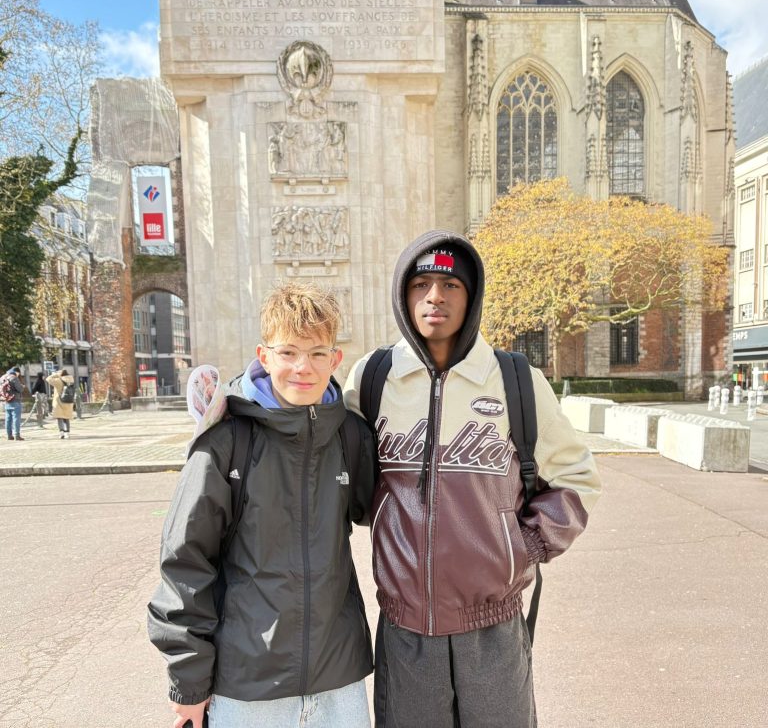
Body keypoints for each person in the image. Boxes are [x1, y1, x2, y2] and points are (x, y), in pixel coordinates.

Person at [344, 230, 602, 728]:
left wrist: (522, 544)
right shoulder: (373, 379)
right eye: (420, 284)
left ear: (471, 296)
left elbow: (578, 476)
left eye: (450, 285)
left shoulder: (515, 380)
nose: (434, 297)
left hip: (493, 626)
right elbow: (326, 450)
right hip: (404, 629)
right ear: (403, 295)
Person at [148, 283, 375, 728]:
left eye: (316, 353)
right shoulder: (226, 441)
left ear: (336, 359)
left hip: (339, 684)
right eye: (288, 352)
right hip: (248, 688)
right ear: (264, 355)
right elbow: (184, 565)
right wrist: (189, 685)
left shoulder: (351, 436)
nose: (302, 367)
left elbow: (388, 511)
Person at [47, 368, 75, 438]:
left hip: (59, 401)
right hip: (69, 401)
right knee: (66, 417)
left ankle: (61, 432)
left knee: (60, 417)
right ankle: (67, 433)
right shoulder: (71, 380)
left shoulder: (59, 381)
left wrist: (56, 375)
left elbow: (48, 379)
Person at [3, 366, 25, 440]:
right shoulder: (14, 377)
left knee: (8, 418)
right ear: (17, 372)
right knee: (16, 418)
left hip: (7, 400)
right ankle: (17, 435)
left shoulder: (3, 378)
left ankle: (9, 435)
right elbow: (20, 389)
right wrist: (22, 386)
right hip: (15, 400)